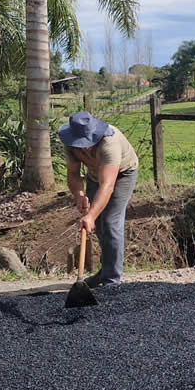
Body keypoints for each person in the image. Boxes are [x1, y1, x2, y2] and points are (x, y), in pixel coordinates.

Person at [60, 110, 139, 286]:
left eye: (88, 142)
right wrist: (79, 195)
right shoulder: (69, 143)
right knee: (100, 225)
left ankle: (112, 280)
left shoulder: (109, 142)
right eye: (81, 144)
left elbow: (107, 186)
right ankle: (106, 270)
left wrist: (90, 216)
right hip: (95, 176)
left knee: (111, 221)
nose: (85, 147)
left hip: (122, 174)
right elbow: (73, 174)